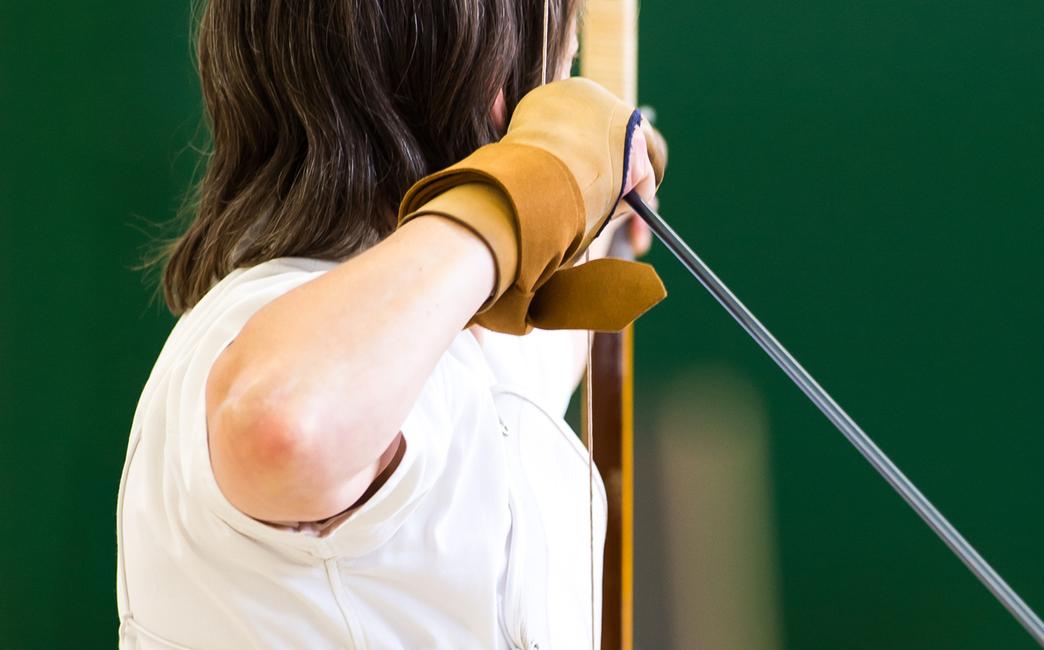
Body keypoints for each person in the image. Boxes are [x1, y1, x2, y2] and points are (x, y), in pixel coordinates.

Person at [115, 0, 666, 647]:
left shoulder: (442, 346)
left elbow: (512, 368)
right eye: (560, 64)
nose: (558, 88)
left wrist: (598, 210)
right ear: (494, 85)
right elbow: (285, 424)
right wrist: (527, 189)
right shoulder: (266, 327)